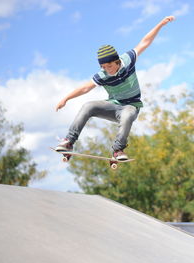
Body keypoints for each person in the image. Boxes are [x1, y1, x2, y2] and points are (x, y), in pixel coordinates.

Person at [55, 16, 175, 160]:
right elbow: (85, 88)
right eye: (103, 67)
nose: (108, 70)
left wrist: (160, 24)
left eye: (110, 66)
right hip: (113, 106)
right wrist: (66, 98)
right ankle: (69, 141)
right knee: (88, 106)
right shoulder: (103, 75)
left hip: (131, 106)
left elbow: (145, 42)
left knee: (128, 114)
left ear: (117, 61)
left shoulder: (128, 60)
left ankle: (118, 150)